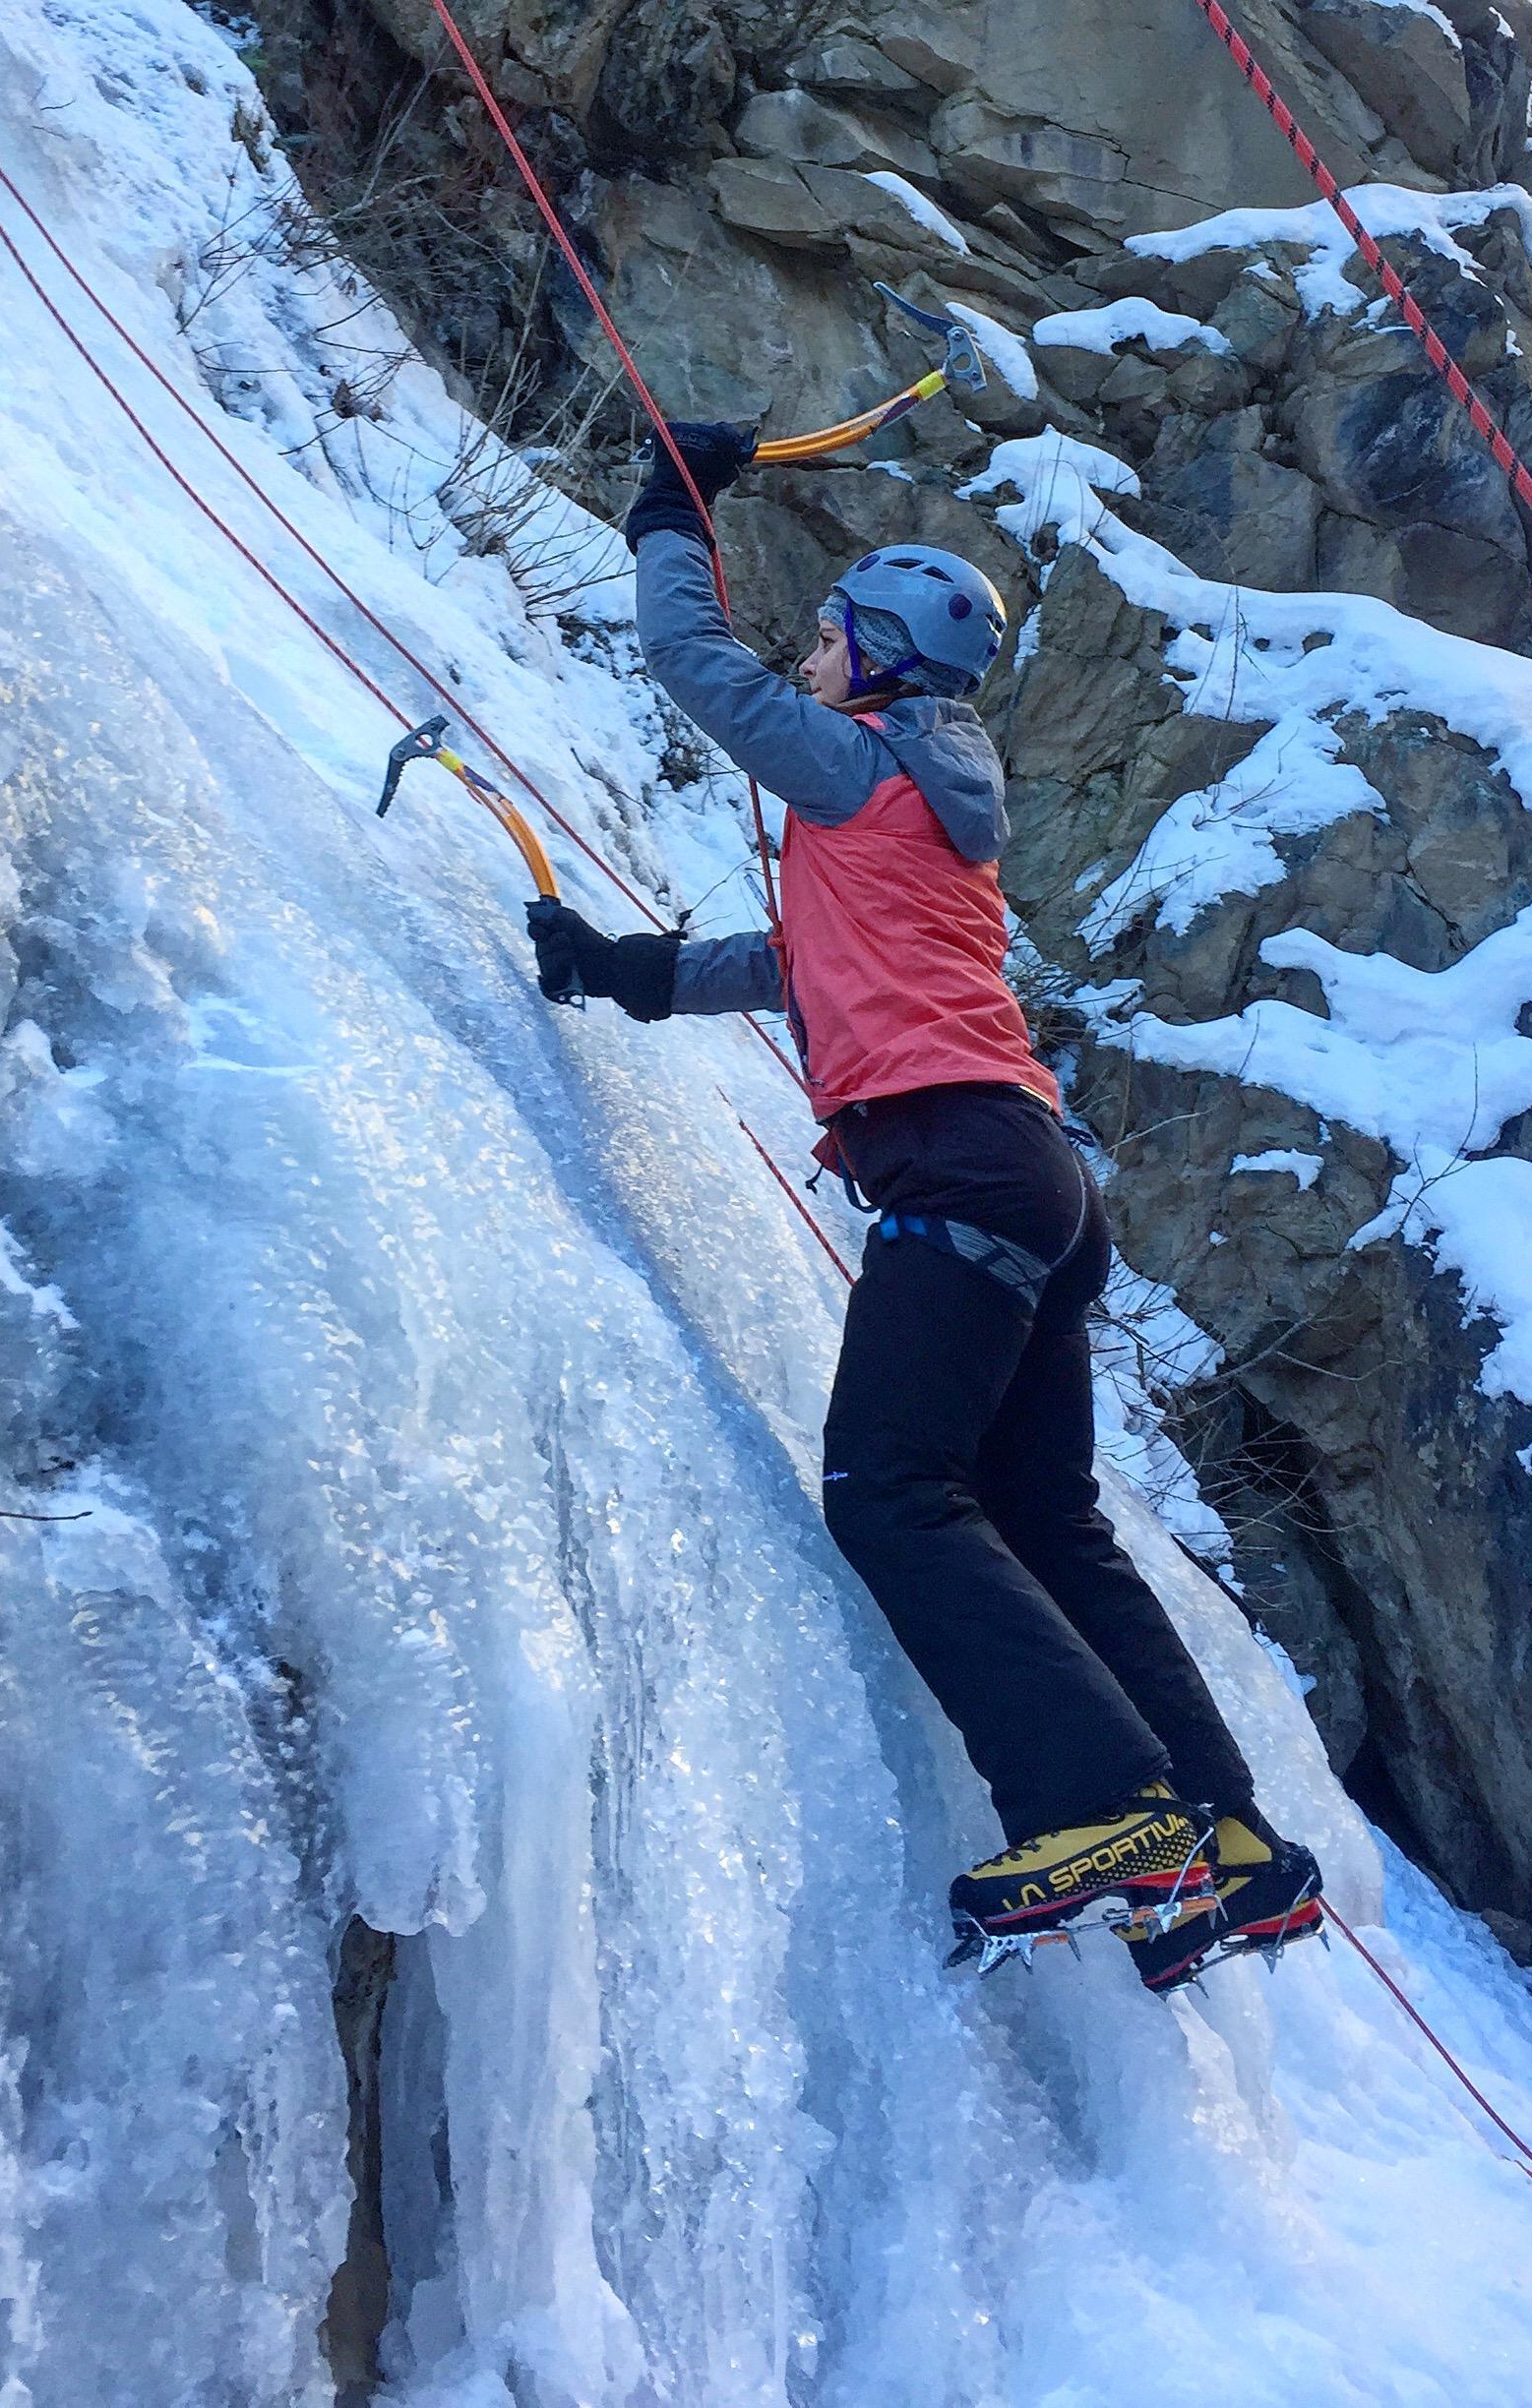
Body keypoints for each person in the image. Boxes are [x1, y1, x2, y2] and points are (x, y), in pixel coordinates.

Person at [528, 422, 1321, 1989]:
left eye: (831, 635)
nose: (810, 655)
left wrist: (673, 509)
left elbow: (694, 663)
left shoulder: (862, 764)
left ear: (881, 657)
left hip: (957, 1167)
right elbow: (805, 966)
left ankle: (1105, 1813)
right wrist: (633, 973)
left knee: (889, 1489)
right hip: (1034, 1178)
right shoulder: (920, 812)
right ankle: (1229, 1846)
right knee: (1047, 1519)